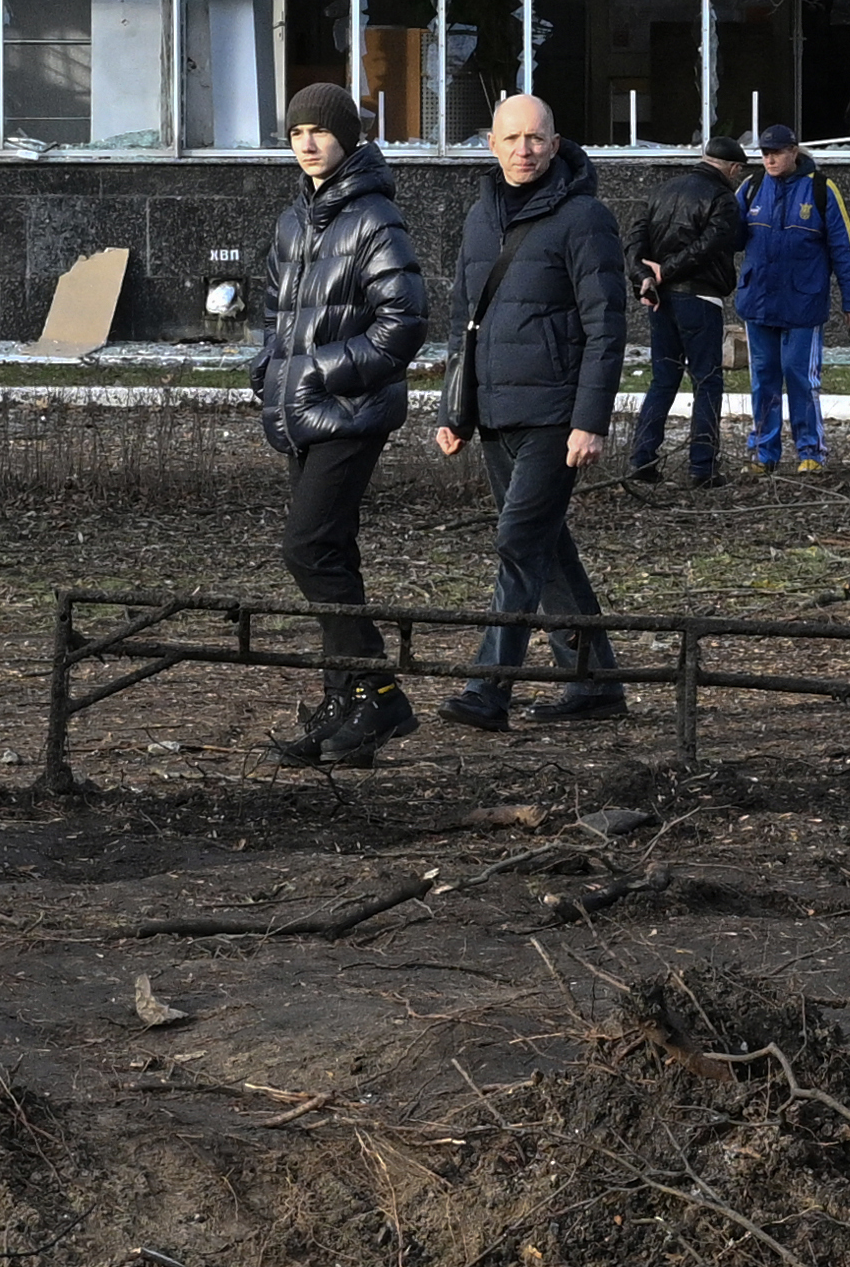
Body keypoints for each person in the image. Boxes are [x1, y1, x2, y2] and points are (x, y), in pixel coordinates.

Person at [421, 86, 636, 732]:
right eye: (511, 138)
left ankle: (490, 691)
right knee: (546, 548)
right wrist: (453, 410)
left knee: (518, 543)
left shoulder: (584, 217)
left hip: (555, 418)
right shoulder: (480, 215)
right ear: (491, 144)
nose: (524, 149)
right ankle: (595, 682)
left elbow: (607, 326)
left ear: (555, 141)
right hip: (493, 414)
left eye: (536, 137)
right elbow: (464, 318)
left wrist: (590, 420)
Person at [249, 80, 429, 767]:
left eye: (319, 131)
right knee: (333, 557)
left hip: (351, 412)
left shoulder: (374, 217)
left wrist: (318, 371)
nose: (307, 143)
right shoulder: (297, 218)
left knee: (308, 549)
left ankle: (378, 691)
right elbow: (274, 311)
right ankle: (347, 706)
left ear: (347, 137)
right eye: (296, 133)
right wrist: (271, 366)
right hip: (302, 413)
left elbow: (403, 323)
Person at [732, 117, 850, 467]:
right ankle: (764, 453)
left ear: (793, 152)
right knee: (764, 380)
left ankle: (810, 453)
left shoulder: (822, 189)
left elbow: (844, 249)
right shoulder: (751, 187)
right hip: (758, 302)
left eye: (776, 153)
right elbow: (728, 234)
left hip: (803, 303)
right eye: (764, 154)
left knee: (800, 378)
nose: (769, 160)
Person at [614, 132, 742, 483]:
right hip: (700, 299)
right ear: (732, 168)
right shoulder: (723, 198)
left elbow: (634, 240)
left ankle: (642, 460)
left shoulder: (661, 191)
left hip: (660, 300)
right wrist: (665, 271)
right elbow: (711, 244)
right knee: (707, 381)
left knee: (663, 380)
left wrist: (646, 277)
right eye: (738, 172)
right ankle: (702, 466)